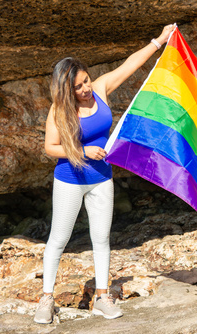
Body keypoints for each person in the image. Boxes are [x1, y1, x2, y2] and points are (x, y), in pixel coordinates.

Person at [34, 24, 176, 324]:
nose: (85, 89)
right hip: (70, 181)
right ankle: (46, 300)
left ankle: (101, 297)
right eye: (78, 87)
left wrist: (159, 41)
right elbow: (50, 147)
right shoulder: (58, 111)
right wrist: (82, 152)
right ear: (66, 90)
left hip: (102, 179)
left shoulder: (99, 89)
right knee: (58, 239)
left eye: (85, 81)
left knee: (101, 238)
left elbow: (129, 65)